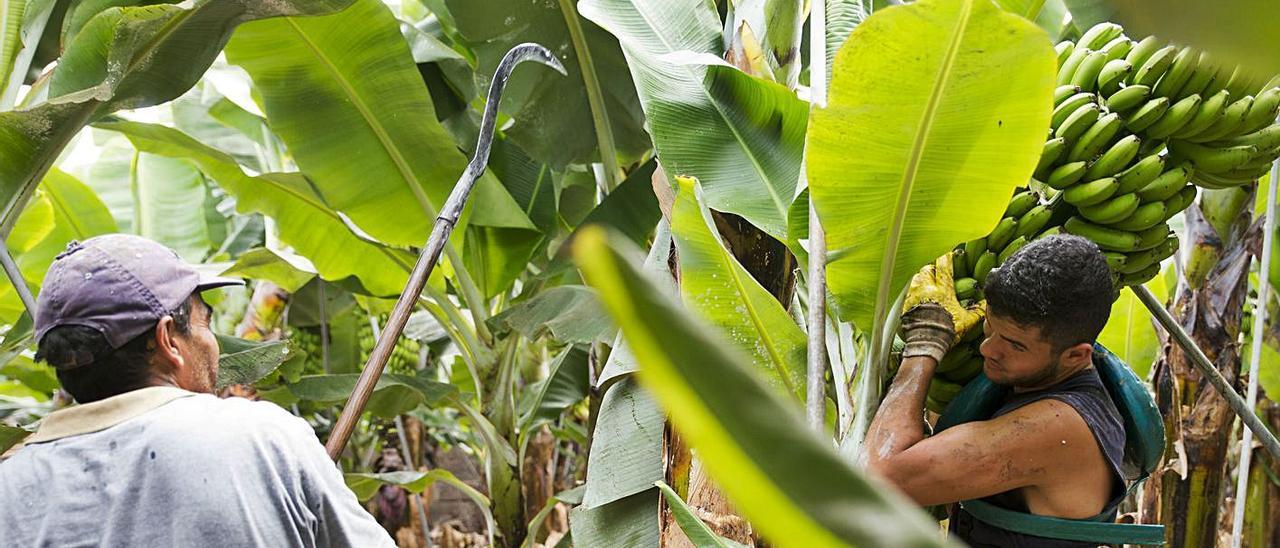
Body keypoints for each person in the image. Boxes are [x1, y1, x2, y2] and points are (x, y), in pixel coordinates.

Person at [0, 234, 394, 547]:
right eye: (206, 322)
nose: (214, 344)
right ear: (168, 339)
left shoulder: (10, 487)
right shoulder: (263, 439)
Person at [864, 234, 1127, 547]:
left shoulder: (1056, 426)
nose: (988, 349)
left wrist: (926, 343)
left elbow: (877, 480)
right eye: (990, 325)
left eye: (1015, 344)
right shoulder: (1037, 374)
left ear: (1075, 355)